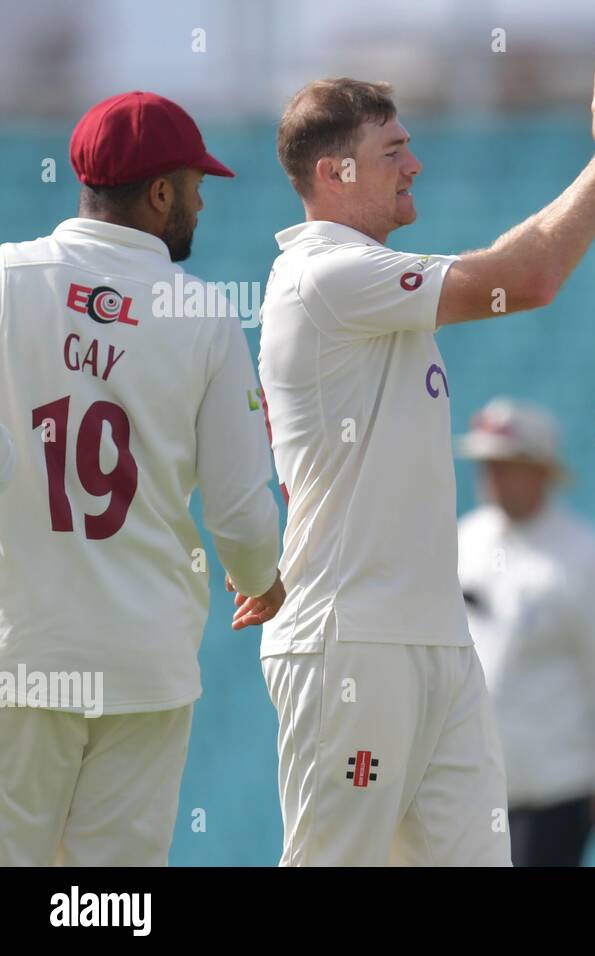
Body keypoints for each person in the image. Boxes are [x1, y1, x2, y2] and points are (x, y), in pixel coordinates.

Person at [257, 37, 595, 866]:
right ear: (336, 174)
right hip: (355, 640)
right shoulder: (325, 275)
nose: (415, 164)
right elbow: (530, 278)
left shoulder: (363, 284)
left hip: (432, 641)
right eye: (393, 150)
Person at [0, 91, 284, 866]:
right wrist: (261, 577)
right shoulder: (202, 313)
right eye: (195, 185)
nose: (200, 201)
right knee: (110, 903)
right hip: (142, 661)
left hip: (19, 654)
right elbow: (237, 512)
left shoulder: (5, 278)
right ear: (159, 193)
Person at [457, 398, 595, 867]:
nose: (492, 477)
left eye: (506, 465)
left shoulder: (588, 556)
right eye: (487, 465)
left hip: (555, 790)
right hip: (469, 788)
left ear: (541, 471)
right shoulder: (463, 540)